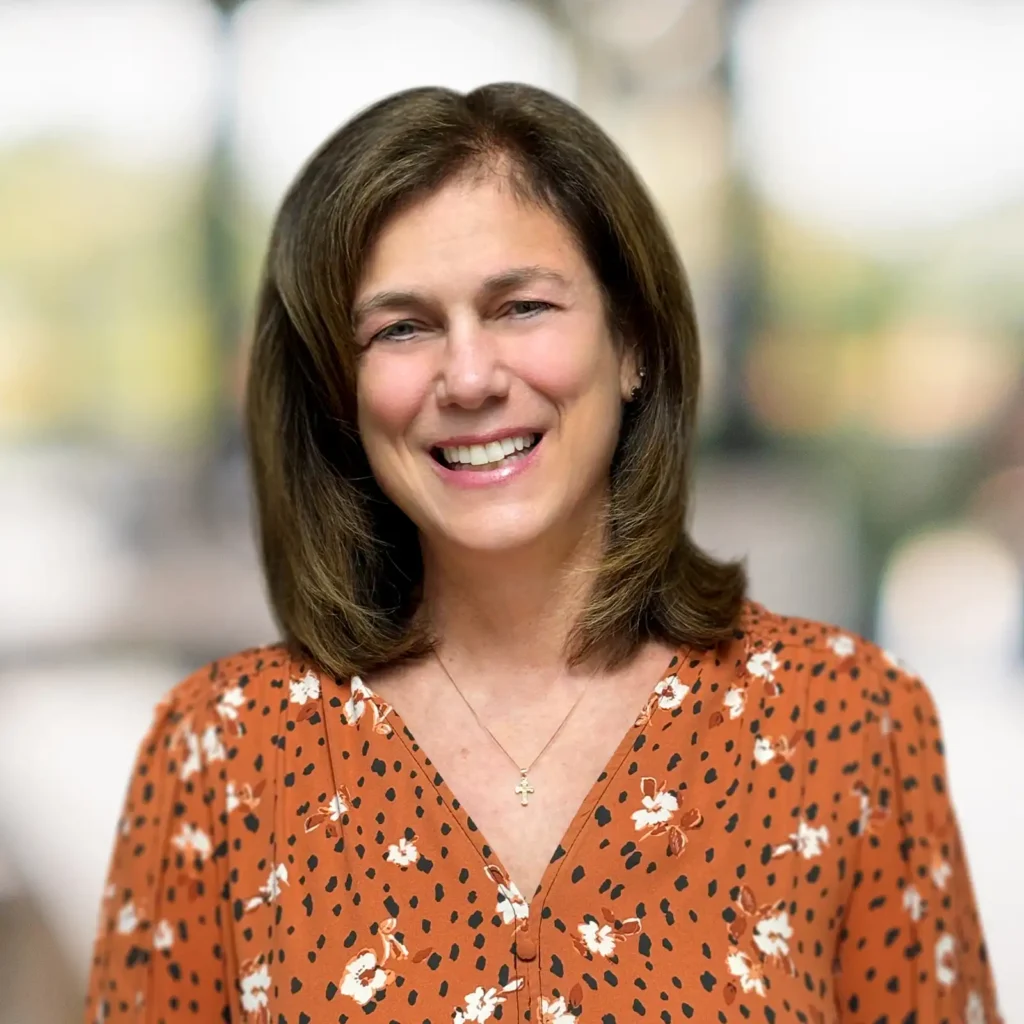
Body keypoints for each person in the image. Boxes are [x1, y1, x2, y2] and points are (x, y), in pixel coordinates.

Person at [84, 83, 1001, 1024]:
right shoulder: (218, 753)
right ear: (338, 393)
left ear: (632, 340)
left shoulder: (852, 724)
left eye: (521, 306)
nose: (469, 377)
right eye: (402, 328)